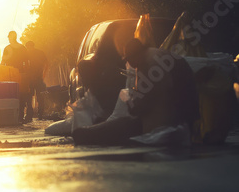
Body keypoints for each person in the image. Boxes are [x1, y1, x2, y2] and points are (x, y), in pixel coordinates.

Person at [72, 38, 200, 145]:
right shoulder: (156, 55)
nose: (129, 63)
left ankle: (84, 133)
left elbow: (139, 107)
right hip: (183, 119)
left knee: (84, 134)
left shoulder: (149, 65)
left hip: (163, 124)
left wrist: (128, 99)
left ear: (136, 54)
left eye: (128, 59)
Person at [1, 31, 31, 123]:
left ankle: (13, 116)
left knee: (11, 95)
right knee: (21, 94)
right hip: (20, 74)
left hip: (11, 74)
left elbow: (3, 62)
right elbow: (27, 63)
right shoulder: (22, 48)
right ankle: (19, 116)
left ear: (12, 37)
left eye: (9, 37)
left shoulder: (8, 48)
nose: (8, 38)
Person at [25, 41, 48, 119]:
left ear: (32, 46)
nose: (29, 48)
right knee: (29, 97)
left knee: (39, 96)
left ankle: (40, 114)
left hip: (37, 78)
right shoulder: (26, 54)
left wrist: (44, 74)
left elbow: (46, 63)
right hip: (31, 78)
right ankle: (31, 114)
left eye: (29, 47)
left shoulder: (39, 53)